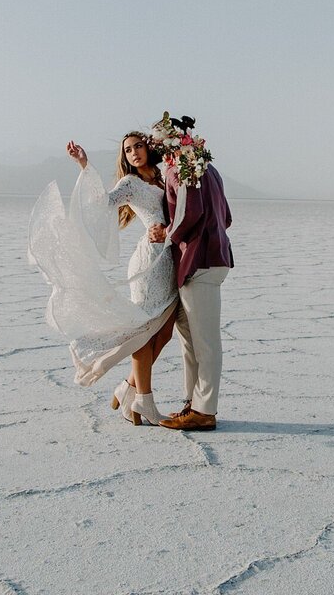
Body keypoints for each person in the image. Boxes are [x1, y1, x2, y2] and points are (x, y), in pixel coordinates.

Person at [27, 131, 178, 425]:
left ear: (148, 148)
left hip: (170, 259)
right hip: (150, 263)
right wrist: (84, 165)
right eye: (128, 150)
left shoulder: (162, 177)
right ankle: (145, 401)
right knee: (142, 334)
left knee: (164, 332)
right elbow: (100, 202)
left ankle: (127, 388)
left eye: (138, 146)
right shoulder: (130, 184)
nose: (134, 152)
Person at [145, 119, 234, 432]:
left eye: (156, 144)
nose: (155, 150)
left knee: (205, 342)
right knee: (191, 341)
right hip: (206, 260)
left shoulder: (182, 167)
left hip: (200, 262)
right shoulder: (209, 169)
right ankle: (192, 403)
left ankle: (204, 410)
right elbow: (227, 216)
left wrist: (167, 234)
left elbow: (189, 213)